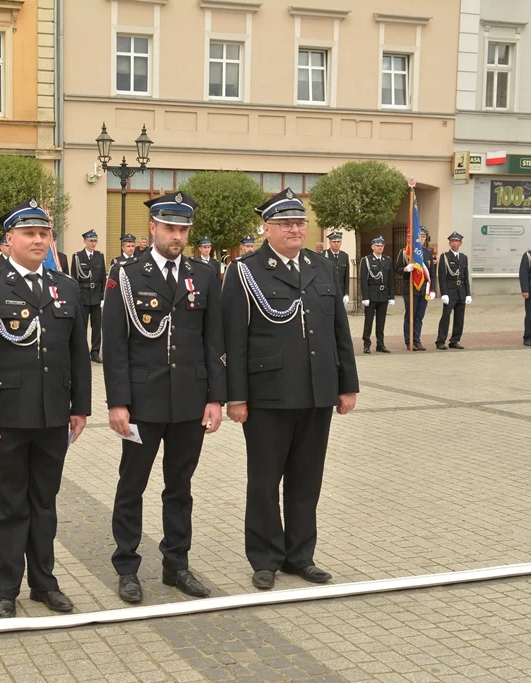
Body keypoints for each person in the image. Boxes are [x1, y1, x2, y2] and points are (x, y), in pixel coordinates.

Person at [221, 188, 359, 590]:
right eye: (286, 223)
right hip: (269, 395)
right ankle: (264, 558)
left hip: (317, 392)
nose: (295, 229)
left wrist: (347, 385)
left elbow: (339, 332)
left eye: (299, 222)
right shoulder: (246, 271)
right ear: (267, 228)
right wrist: (237, 396)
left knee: (306, 479)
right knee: (265, 481)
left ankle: (301, 556)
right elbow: (234, 338)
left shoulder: (322, 266)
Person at [0, 198, 90, 619]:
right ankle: (6, 588)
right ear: (9, 239)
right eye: (29, 233)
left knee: (45, 502)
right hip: (9, 414)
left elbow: (77, 354)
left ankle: (44, 583)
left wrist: (80, 407)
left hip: (54, 411)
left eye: (43, 233)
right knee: (11, 502)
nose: (38, 239)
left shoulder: (65, 286)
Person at [102, 192, 226, 604]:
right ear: (153, 227)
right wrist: (117, 402)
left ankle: (177, 565)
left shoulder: (204, 274)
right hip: (143, 399)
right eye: (170, 228)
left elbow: (213, 341)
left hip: (189, 401)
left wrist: (215, 398)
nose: (178, 236)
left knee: (180, 486)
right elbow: (115, 344)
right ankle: (127, 567)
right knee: (131, 485)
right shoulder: (126, 274)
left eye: (183, 230)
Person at [395, 229, 436, 351]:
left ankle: (417, 340)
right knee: (410, 316)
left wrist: (432, 289)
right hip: (410, 289)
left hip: (424, 290)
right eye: (419, 236)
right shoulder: (405, 252)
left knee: (419, 317)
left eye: (423, 236)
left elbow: (432, 273)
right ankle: (409, 341)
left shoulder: (428, 253)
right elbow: (397, 268)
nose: (421, 239)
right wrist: (406, 269)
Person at [70, 229, 106, 363]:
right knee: (82, 325)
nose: (93, 243)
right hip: (83, 295)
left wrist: (103, 297)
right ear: (85, 241)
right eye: (91, 241)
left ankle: (95, 352)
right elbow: (74, 278)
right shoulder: (77, 257)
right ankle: (82, 351)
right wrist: (74, 297)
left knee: (97, 326)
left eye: (95, 241)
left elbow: (103, 278)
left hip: (96, 295)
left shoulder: (99, 256)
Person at [435, 232, 471, 350]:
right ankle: (440, 341)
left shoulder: (464, 257)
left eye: (456, 241)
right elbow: (442, 277)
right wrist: (444, 293)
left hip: (461, 291)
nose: (454, 243)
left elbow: (465, 277)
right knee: (446, 316)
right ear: (450, 243)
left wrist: (468, 294)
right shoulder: (445, 257)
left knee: (459, 318)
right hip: (450, 291)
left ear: (460, 243)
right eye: (452, 241)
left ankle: (455, 340)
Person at [359, 236, 394, 354]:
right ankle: (366, 344)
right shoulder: (367, 260)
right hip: (371, 294)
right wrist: (365, 297)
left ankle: (380, 344)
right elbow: (363, 280)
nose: (380, 248)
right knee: (368, 321)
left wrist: (392, 296)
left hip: (383, 294)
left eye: (382, 246)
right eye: (378, 245)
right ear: (372, 246)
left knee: (381, 321)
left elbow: (390, 280)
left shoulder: (387, 260)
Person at [322, 232, 350, 305]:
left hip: (340, 291)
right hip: (327, 291)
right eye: (334, 242)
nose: (336, 243)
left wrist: (346, 293)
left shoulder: (344, 256)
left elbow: (346, 277)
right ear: (330, 242)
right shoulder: (323, 255)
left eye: (338, 241)